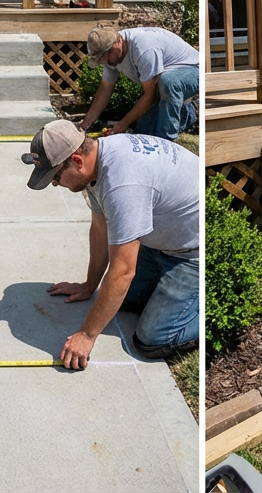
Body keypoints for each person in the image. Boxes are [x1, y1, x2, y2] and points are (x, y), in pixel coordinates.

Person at [23, 119, 199, 369]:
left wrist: (86, 335)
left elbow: (123, 272)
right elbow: (99, 230)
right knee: (124, 300)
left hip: (191, 253)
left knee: (153, 339)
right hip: (162, 240)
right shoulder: (100, 158)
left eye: (55, 177)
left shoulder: (122, 185)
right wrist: (89, 286)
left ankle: (206, 301)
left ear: (76, 161)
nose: (55, 184)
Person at [78, 25, 200, 142]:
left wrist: (123, 124)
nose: (106, 62)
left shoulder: (143, 49)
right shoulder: (111, 57)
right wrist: (85, 124)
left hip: (193, 69)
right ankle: (190, 112)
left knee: (168, 83)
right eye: (101, 59)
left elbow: (150, 96)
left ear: (117, 42)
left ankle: (166, 140)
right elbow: (105, 88)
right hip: (163, 79)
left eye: (106, 56)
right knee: (143, 130)